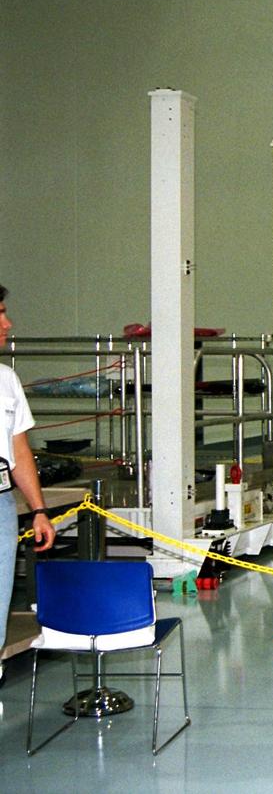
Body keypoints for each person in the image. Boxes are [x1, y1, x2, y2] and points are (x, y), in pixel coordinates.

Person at [0, 285, 56, 680]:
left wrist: (38, 510)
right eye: (0, 314)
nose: (8, 323)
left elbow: (19, 451)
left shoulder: (7, 380)